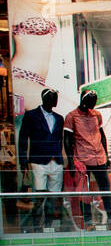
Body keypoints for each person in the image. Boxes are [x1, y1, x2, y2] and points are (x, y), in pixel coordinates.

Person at [63, 89, 111, 229]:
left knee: (106, 189)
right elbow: (67, 141)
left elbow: (102, 136)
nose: (94, 105)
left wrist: (107, 156)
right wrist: (70, 162)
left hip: (99, 157)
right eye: (91, 102)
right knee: (84, 192)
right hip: (82, 159)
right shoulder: (71, 117)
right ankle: (88, 222)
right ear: (84, 100)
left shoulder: (97, 115)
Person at [16, 87, 66, 230]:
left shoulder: (59, 118)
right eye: (52, 97)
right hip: (38, 161)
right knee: (39, 196)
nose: (55, 100)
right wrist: (23, 161)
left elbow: (59, 140)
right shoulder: (31, 116)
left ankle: (48, 226)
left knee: (53, 197)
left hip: (55, 161)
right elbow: (23, 139)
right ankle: (37, 227)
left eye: (55, 97)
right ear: (44, 99)